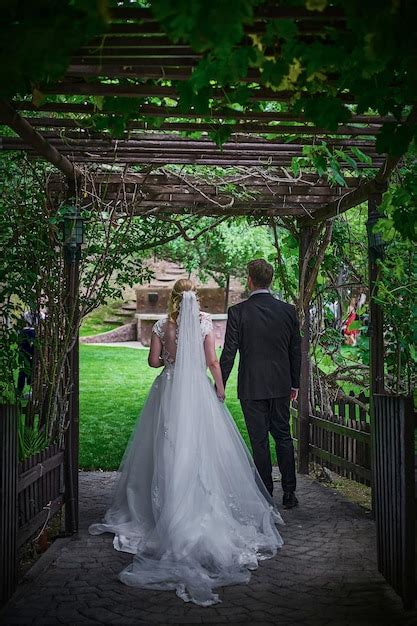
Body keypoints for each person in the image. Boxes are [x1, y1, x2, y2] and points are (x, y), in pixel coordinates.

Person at [89, 279, 283, 607]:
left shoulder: (163, 325)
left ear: (174, 298)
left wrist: (167, 355)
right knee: (202, 448)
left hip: (168, 388)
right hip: (196, 391)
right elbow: (211, 361)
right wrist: (219, 387)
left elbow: (152, 362)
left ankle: (163, 509)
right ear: (195, 299)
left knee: (166, 448)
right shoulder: (205, 322)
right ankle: (199, 504)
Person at [220, 260, 301, 509]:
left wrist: (219, 384)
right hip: (280, 385)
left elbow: (229, 352)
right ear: (271, 280)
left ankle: (266, 493)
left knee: (259, 441)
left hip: (251, 386)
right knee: (283, 437)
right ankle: (290, 493)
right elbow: (295, 351)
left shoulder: (238, 312)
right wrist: (295, 384)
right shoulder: (288, 311)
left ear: (250, 280)